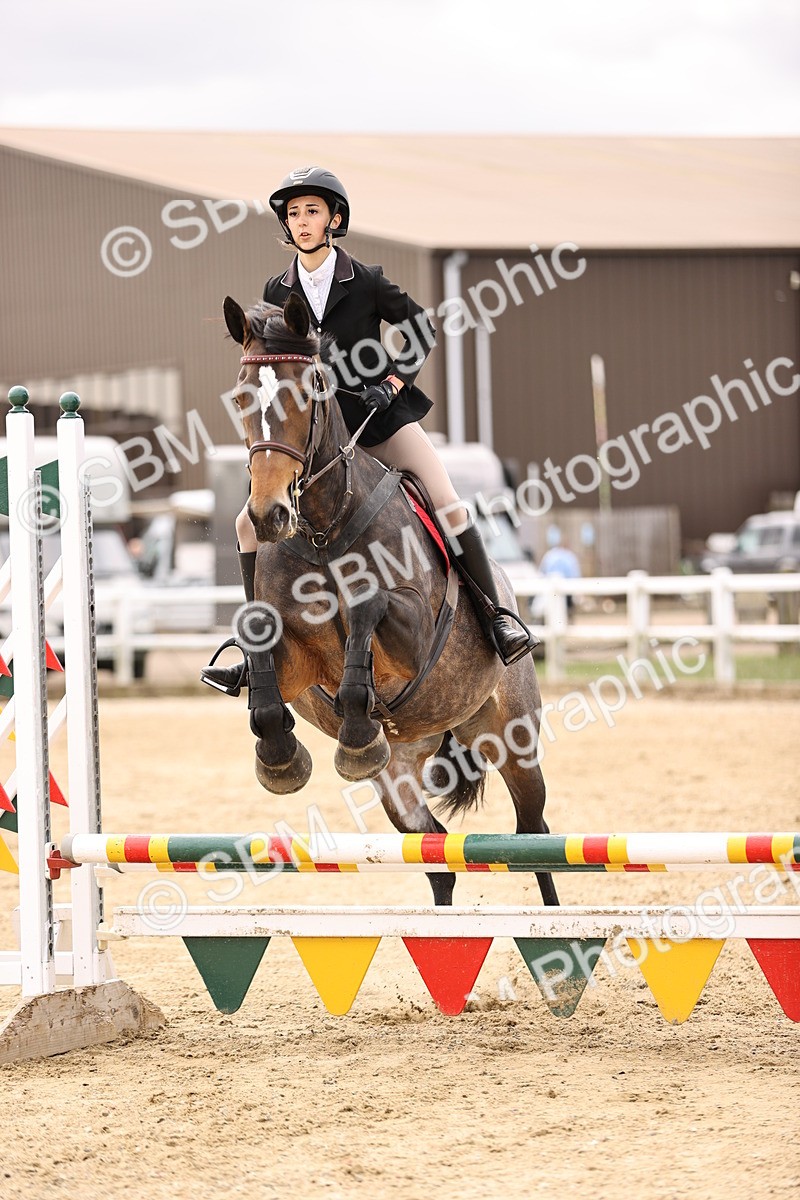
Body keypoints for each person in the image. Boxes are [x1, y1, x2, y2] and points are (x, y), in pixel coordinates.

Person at [202, 166, 535, 693]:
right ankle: (253, 644)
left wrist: (395, 382)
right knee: (248, 525)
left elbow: (420, 326)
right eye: (294, 213)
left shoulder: (367, 280)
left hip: (377, 420)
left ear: (334, 219)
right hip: (313, 438)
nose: (302, 221)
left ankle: (496, 617)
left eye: (312, 211)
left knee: (448, 503)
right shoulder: (277, 288)